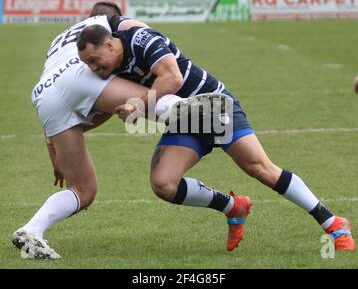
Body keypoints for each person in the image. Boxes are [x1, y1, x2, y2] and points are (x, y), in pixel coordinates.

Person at [76, 23, 356, 252]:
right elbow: (106, 107)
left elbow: (171, 78)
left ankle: (332, 222)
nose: (93, 68)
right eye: (87, 64)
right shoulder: (110, 70)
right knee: (163, 184)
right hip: (183, 119)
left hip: (213, 106)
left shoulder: (141, 39)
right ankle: (234, 206)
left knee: (260, 169)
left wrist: (138, 104)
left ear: (110, 45)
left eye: (93, 60)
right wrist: (73, 131)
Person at [11, 2, 209, 259]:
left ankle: (32, 230)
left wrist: (58, 156)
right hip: (77, 76)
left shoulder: (60, 37)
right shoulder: (113, 26)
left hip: (43, 94)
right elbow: (149, 48)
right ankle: (208, 115)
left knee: (84, 190)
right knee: (147, 97)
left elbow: (77, 105)